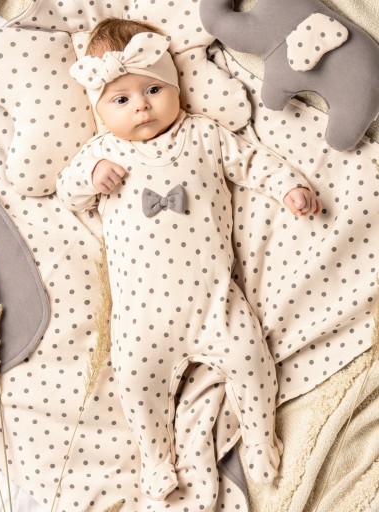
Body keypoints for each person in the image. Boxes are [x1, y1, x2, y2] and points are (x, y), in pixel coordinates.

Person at [57, 18, 322, 501]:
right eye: (121, 100)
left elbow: (254, 162)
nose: (141, 105)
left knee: (251, 358)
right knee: (135, 380)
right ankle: (157, 457)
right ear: (99, 110)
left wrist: (289, 187)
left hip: (215, 302)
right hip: (142, 318)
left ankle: (261, 437)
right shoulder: (101, 153)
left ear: (175, 85)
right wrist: (91, 177)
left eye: (153, 89)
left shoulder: (204, 135)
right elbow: (67, 193)